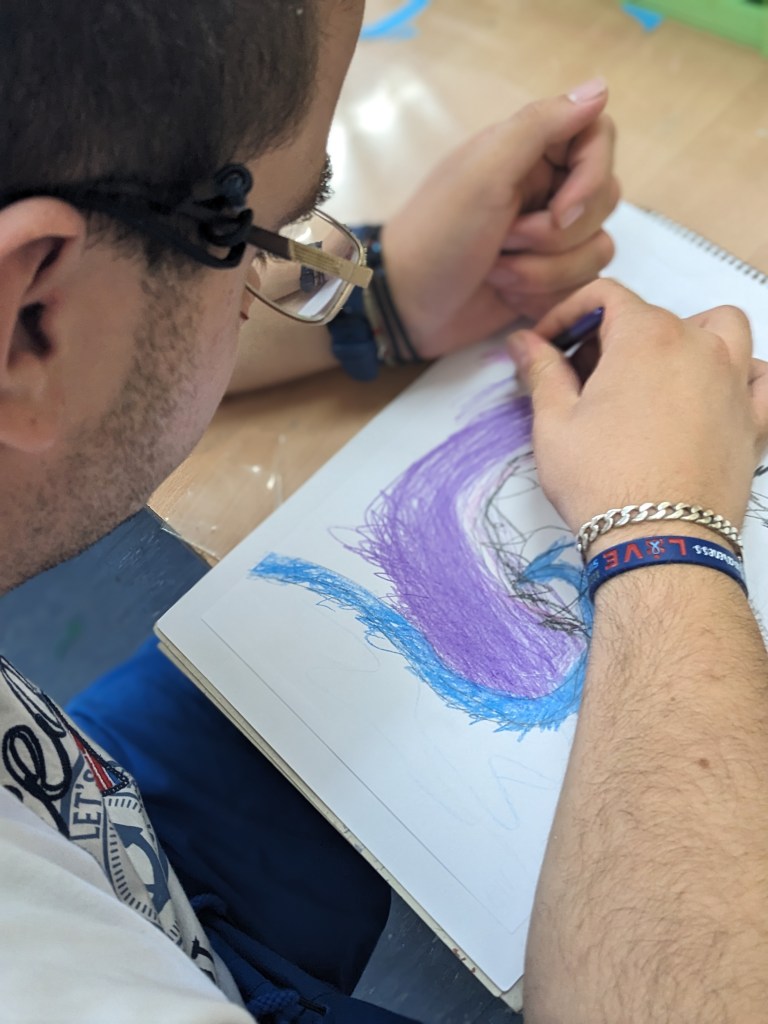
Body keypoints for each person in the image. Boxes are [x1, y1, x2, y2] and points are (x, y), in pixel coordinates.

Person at [0, 0, 763, 1021]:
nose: (265, 284)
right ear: (31, 321)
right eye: (267, 242)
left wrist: (385, 296)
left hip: (76, 803)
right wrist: (665, 530)